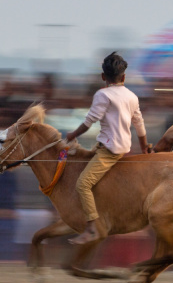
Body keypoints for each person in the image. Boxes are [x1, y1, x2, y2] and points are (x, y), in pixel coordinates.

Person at [64, 52, 150, 245]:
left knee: (82, 184)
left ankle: (92, 228)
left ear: (103, 76)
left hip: (110, 151)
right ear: (124, 77)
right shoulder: (132, 96)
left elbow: (89, 122)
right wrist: (144, 147)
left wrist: (72, 135)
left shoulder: (102, 94)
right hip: (116, 145)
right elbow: (139, 124)